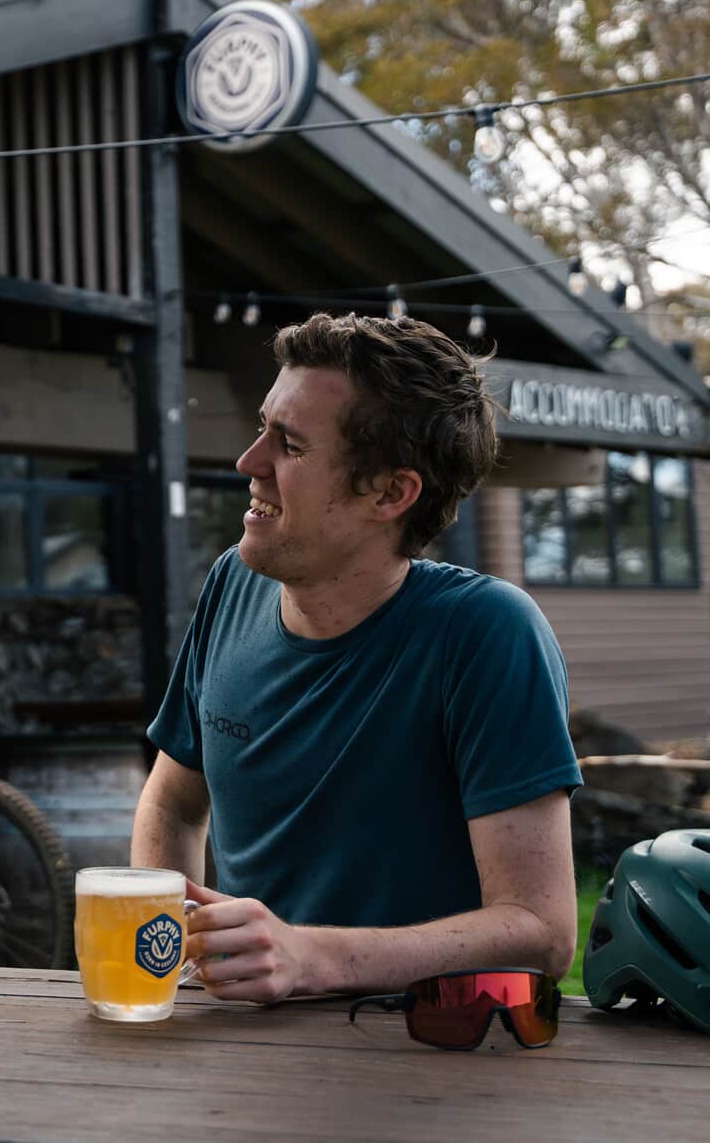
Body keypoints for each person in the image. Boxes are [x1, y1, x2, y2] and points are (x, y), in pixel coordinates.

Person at [132, 313, 580, 1004]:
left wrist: (310, 956)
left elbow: (541, 932)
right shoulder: (232, 584)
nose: (250, 462)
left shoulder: (487, 632)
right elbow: (171, 799)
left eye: (290, 445)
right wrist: (170, 960)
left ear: (391, 493)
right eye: (262, 428)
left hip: (422, 1066)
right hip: (240, 1053)